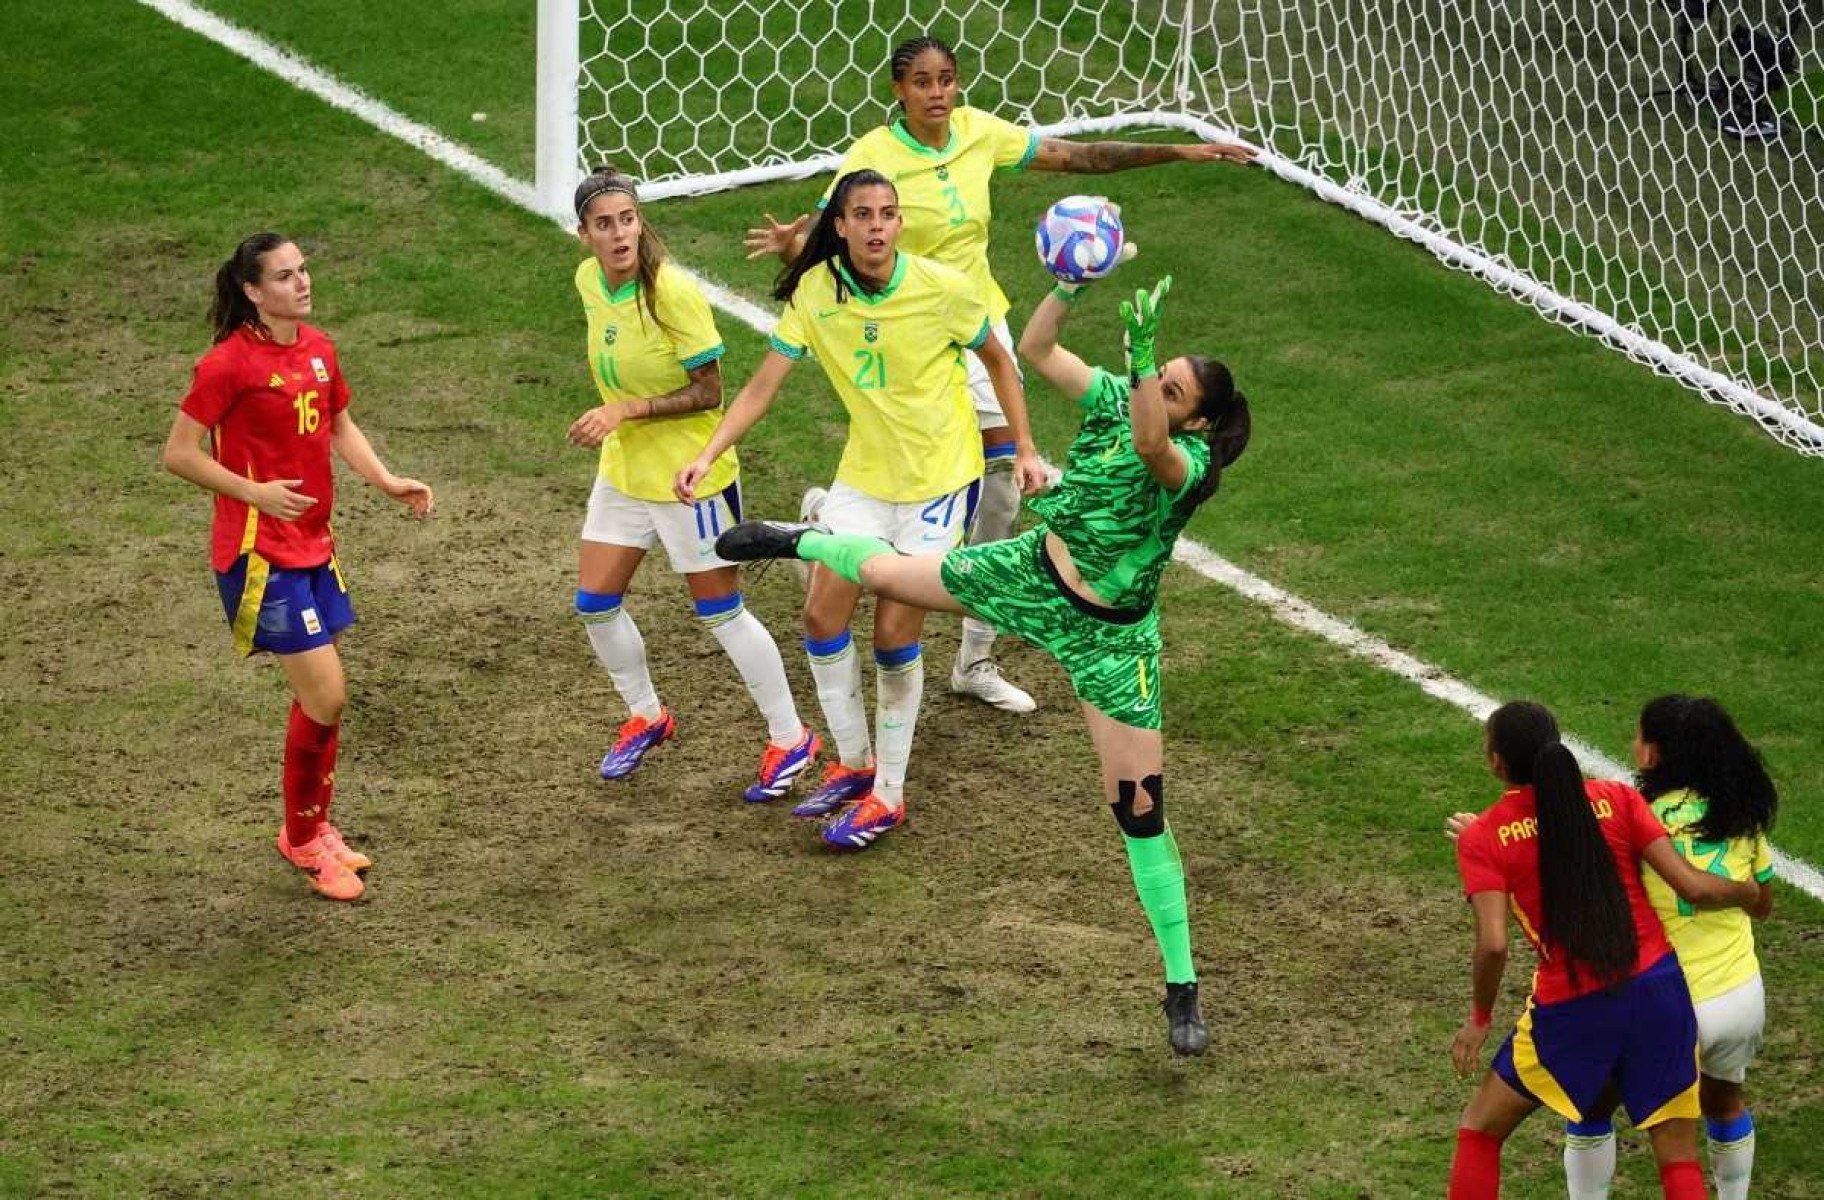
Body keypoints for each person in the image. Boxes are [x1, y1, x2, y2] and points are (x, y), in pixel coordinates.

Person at [708, 261, 1251, 1056]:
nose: (1153, 391)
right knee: (889, 574)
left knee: (1140, 813)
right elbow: (1034, 346)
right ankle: (803, 535)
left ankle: (1180, 984)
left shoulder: (1189, 468)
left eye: (1173, 391)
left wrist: (1140, 366)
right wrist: (1068, 286)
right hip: (1032, 574)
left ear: (1198, 425)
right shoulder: (1115, 398)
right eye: (1158, 379)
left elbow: (1148, 442)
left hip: (1111, 639)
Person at [745, 33, 1255, 714]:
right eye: (923, 82)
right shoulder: (872, 156)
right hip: (912, 332)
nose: (938, 93)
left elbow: (1079, 157)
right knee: (927, 471)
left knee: (1004, 493)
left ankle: (973, 657)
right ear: (898, 90)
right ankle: (841, 530)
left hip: (980, 326)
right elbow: (840, 221)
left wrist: (1178, 148)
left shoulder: (980, 133)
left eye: (947, 79)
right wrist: (797, 243)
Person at [676, 169, 1045, 850]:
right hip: (866, 481)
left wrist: (1023, 447)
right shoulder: (817, 293)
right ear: (839, 227)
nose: (878, 226)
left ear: (899, 224)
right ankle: (854, 760)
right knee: (820, 614)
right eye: (864, 215)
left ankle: (889, 797)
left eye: (889, 214)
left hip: (937, 486)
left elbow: (999, 360)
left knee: (893, 634)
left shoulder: (942, 289)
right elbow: (762, 386)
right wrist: (709, 451)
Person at [160, 232, 433, 902]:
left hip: (315, 544)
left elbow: (338, 424)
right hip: (260, 553)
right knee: (327, 695)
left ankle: (309, 827)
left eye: (303, 270)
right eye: (284, 276)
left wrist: (385, 479)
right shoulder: (227, 365)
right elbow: (179, 453)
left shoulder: (318, 349)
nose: (302, 283)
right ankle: (304, 840)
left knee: (322, 700)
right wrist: (253, 491)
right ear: (253, 291)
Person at [1446, 701, 1765, 1200]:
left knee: (1480, 1130)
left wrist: (1480, 1016)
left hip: (1572, 1008)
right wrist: (1746, 893)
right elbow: (1691, 886)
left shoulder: (1486, 838)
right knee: (1678, 1157)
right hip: (1660, 992)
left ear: (1496, 763)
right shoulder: (1617, 797)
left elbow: (1492, 944)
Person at [566, 166, 817, 801]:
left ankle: (791, 739)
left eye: (627, 219)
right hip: (625, 473)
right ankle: (647, 715)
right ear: (583, 235)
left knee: (721, 613)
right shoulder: (589, 282)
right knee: (595, 603)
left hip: (689, 478)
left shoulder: (671, 292)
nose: (620, 233)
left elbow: (710, 392)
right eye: (605, 224)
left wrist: (626, 409)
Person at [1538, 696, 1776, 1200]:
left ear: (1653, 755)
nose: (1633, 744)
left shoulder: (1635, 813)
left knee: (1594, 1106)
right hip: (1740, 998)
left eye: (1639, 737)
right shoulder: (1742, 812)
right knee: (1725, 1102)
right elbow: (1763, 904)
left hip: (1667, 1003)